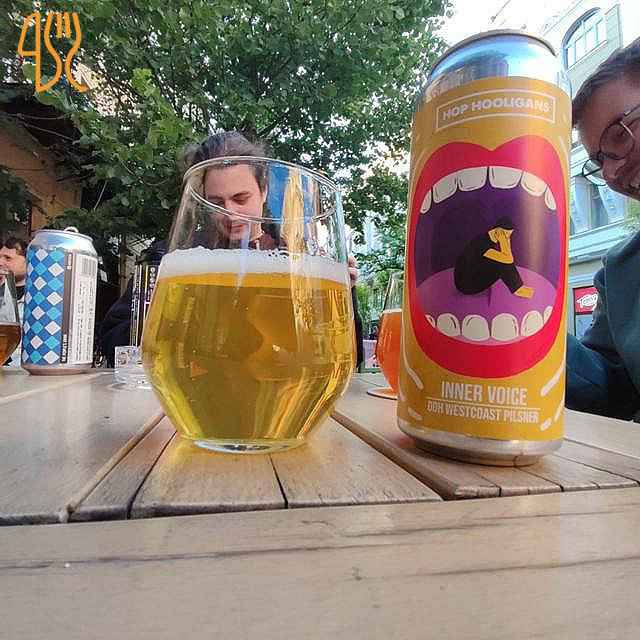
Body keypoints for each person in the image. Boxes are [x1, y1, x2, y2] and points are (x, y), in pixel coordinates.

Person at [100, 131, 364, 367]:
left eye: (240, 198)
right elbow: (114, 339)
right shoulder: (173, 260)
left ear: (263, 190)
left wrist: (343, 293)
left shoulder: (298, 261)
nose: (230, 212)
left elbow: (344, 356)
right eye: (216, 202)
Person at [566, 37, 640, 419]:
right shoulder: (620, 270)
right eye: (598, 160)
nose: (611, 172)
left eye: (619, 134)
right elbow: (610, 390)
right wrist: (530, 324)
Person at [454, 217, 533, 298]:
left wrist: (506, 240)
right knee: (502, 262)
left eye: (509, 236)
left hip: (475, 272)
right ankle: (518, 289)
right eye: (505, 235)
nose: (507, 239)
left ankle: (518, 287)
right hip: (466, 284)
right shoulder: (482, 242)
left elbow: (508, 258)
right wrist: (503, 241)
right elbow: (509, 260)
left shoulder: (488, 239)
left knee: (503, 260)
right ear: (498, 231)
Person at [0, 235, 28, 366]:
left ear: (28, 262)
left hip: (21, 369)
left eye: (8, 258)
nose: (0, 262)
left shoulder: (39, 299)